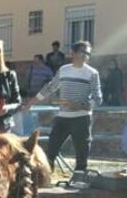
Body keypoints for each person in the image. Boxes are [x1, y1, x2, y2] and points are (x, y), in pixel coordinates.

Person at [24, 40, 102, 171]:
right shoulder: (64, 70)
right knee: (51, 152)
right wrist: (31, 103)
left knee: (82, 157)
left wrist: (80, 106)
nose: (86, 56)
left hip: (82, 119)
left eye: (88, 53)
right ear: (73, 53)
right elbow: (49, 88)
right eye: (83, 52)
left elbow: (98, 99)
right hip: (63, 118)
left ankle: (79, 184)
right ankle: (46, 181)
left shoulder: (92, 73)